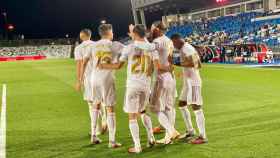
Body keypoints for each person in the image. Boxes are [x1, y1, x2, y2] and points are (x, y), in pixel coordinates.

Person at [98, 24, 157, 153]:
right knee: (144, 112)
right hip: (146, 85)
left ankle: (137, 146)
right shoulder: (151, 49)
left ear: (134, 34)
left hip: (133, 85)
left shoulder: (129, 48)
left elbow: (118, 65)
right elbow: (152, 67)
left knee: (132, 116)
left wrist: (104, 66)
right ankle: (151, 138)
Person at [81, 24, 122, 148]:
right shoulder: (115, 44)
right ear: (109, 32)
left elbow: (85, 61)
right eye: (112, 31)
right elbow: (133, 49)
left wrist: (82, 78)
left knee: (95, 105)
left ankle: (94, 135)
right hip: (107, 78)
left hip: (94, 78)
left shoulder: (93, 45)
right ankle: (112, 141)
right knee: (110, 108)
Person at [171, 33, 208, 144]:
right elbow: (194, 63)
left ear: (178, 40)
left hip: (194, 82)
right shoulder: (185, 47)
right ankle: (190, 131)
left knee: (196, 107)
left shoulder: (187, 48)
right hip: (188, 82)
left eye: (173, 43)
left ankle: (202, 136)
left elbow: (197, 64)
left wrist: (177, 62)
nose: (173, 46)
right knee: (182, 104)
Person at [149, 22, 179, 144]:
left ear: (156, 29)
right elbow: (172, 61)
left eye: (151, 28)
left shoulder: (156, 43)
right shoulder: (169, 41)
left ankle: (171, 131)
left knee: (155, 108)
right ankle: (168, 138)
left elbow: (157, 66)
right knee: (169, 107)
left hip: (161, 78)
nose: (150, 30)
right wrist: (170, 69)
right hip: (171, 78)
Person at [74, 29, 106, 138]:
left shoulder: (79, 48)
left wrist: (79, 80)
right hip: (100, 76)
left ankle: (97, 129)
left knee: (91, 103)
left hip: (88, 78)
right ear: (90, 35)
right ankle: (105, 121)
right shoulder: (97, 45)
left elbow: (79, 64)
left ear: (81, 36)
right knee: (100, 100)